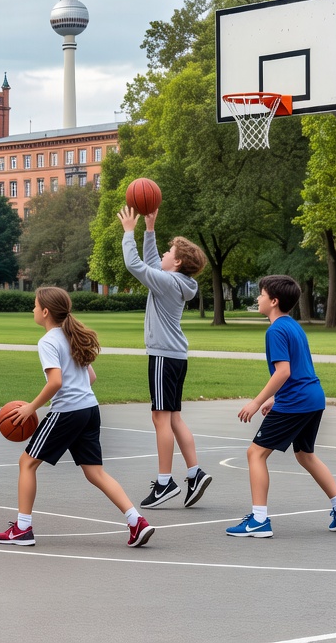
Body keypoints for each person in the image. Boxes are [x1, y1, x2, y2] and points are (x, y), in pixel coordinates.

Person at [0, 287, 155, 549]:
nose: (32, 310)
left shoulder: (47, 341)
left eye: (35, 306)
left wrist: (31, 408)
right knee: (95, 472)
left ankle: (22, 529)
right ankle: (136, 521)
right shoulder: (70, 336)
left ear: (45, 312)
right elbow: (91, 378)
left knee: (26, 463)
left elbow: (55, 381)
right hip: (90, 409)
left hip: (68, 411)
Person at [227, 275, 336, 538]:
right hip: (313, 398)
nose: (257, 298)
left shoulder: (275, 330)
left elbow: (284, 372)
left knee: (255, 454)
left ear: (273, 301)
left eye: (261, 294)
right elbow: (299, 369)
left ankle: (259, 520)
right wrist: (273, 398)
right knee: (305, 454)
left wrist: (255, 402)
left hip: (297, 401)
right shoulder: (293, 326)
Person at [118, 206, 213, 509]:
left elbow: (135, 265)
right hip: (177, 357)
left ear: (178, 262)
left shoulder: (168, 282)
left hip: (162, 357)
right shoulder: (177, 282)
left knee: (160, 418)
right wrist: (150, 229)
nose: (163, 254)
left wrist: (129, 232)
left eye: (168, 252)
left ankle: (164, 482)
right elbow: (150, 263)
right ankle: (195, 473)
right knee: (172, 417)